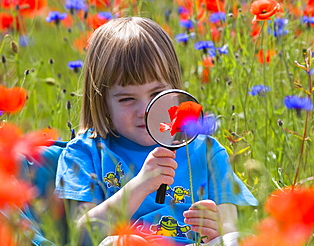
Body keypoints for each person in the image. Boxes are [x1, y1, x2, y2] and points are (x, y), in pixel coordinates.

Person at [55, 16, 258, 246]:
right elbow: (80, 236)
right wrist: (139, 185)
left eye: (156, 94)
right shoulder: (85, 153)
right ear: (102, 102)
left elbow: (231, 227)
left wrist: (216, 227)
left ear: (175, 90)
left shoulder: (207, 151)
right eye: (127, 99)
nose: (144, 110)